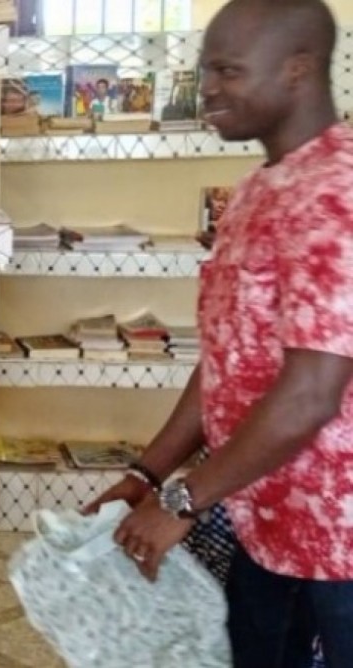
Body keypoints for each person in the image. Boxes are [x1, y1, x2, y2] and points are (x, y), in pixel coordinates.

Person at [88, 1, 353, 665]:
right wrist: (147, 472)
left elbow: (310, 394)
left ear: (298, 70)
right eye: (206, 69)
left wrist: (182, 500)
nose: (206, 89)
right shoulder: (258, 192)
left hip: (339, 545)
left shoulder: (335, 193)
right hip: (263, 522)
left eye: (228, 70)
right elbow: (226, 364)